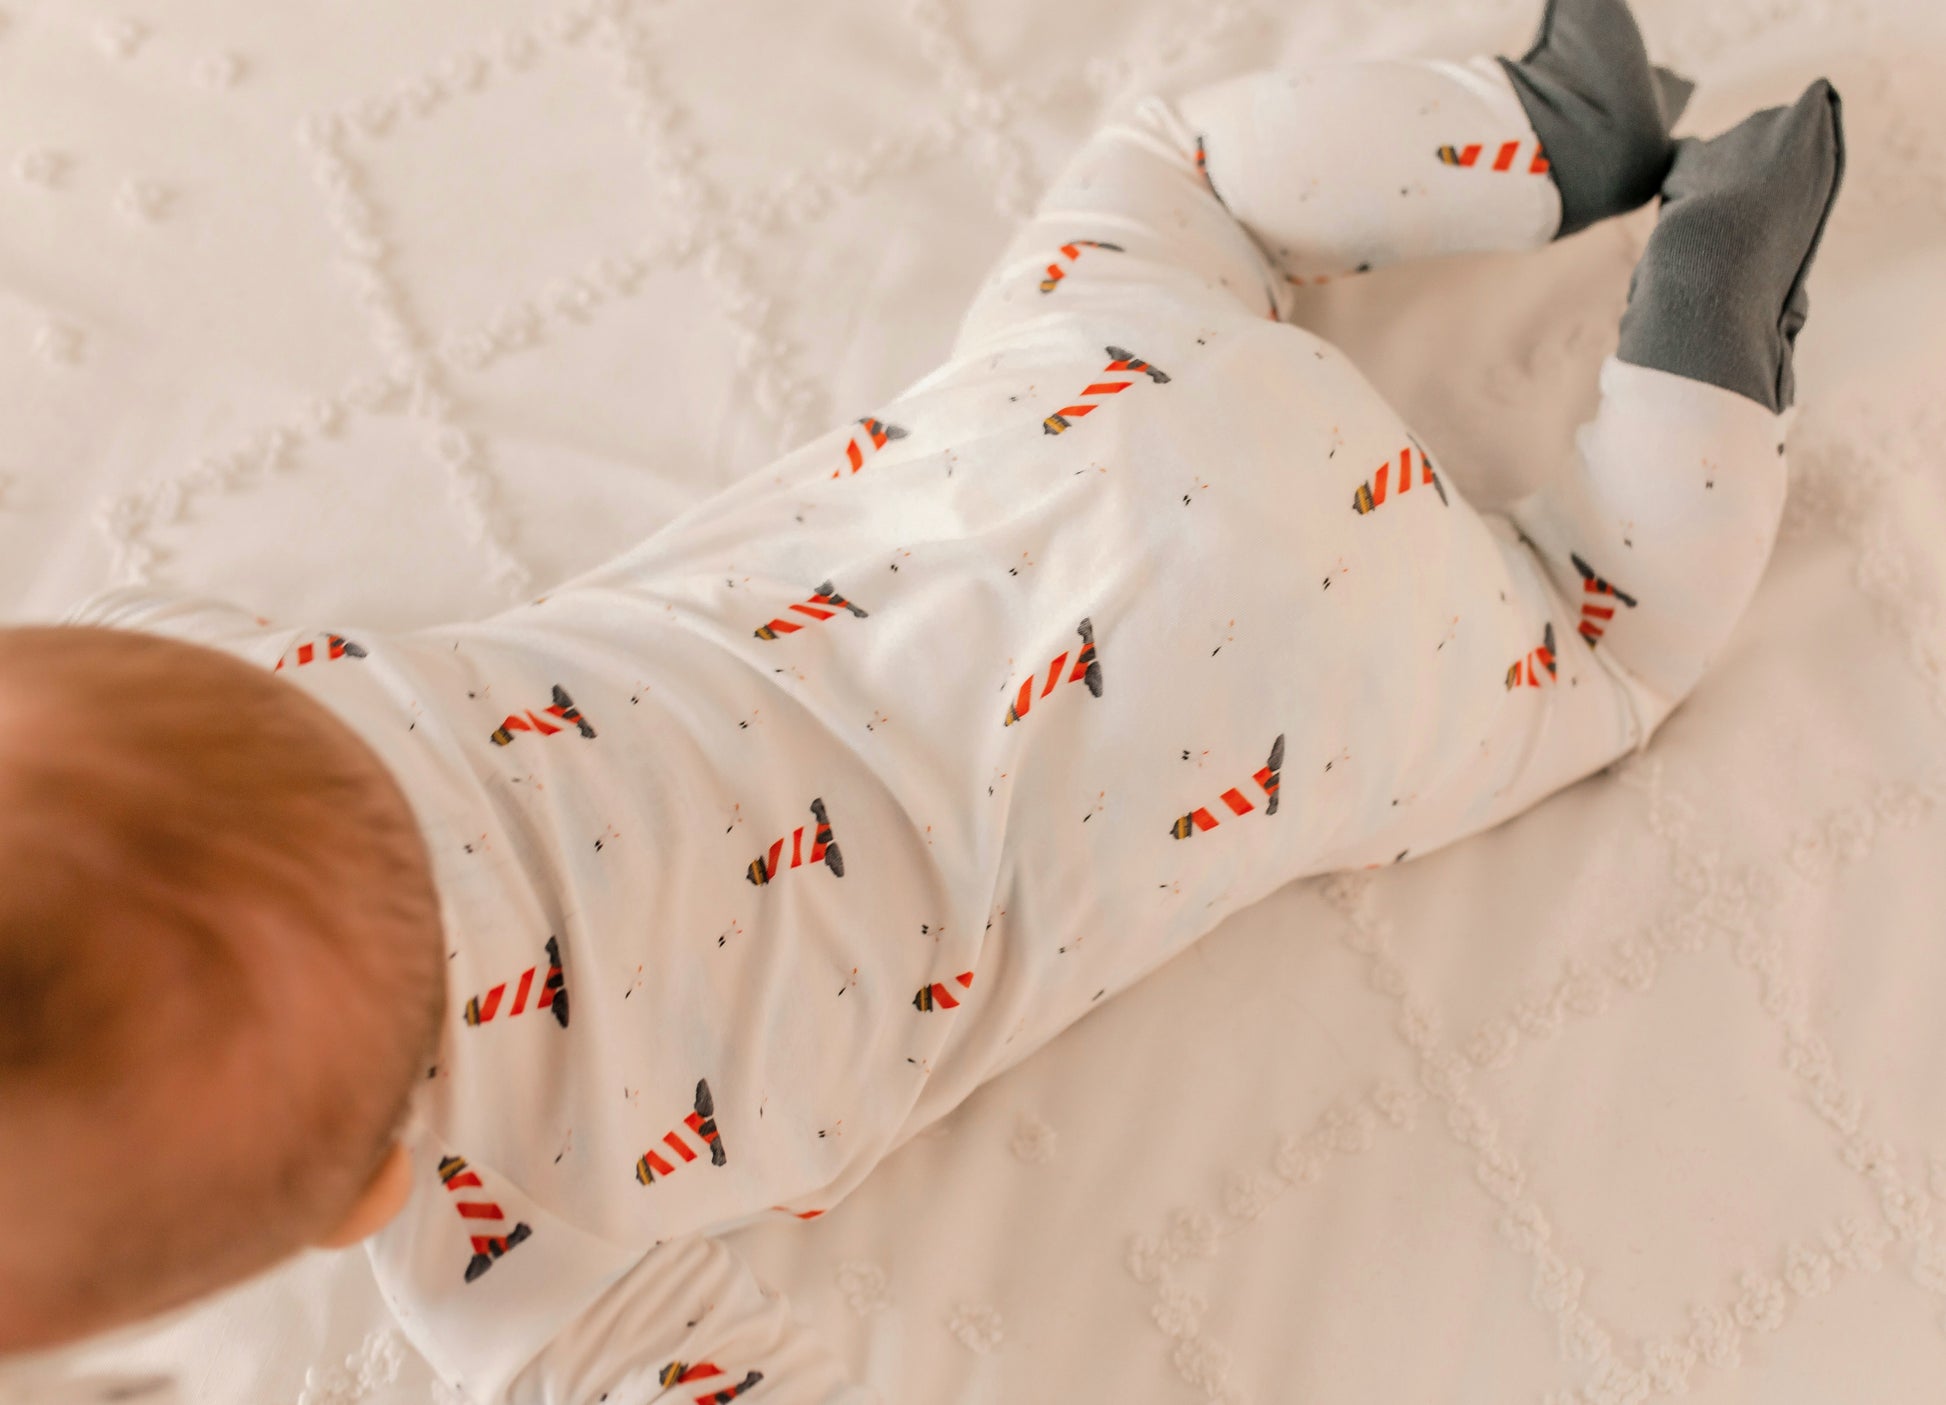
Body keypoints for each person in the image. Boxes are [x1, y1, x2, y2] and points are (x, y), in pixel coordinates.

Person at [0, 0, 1844, 1398]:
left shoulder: (496, 1237)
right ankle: (1531, 133)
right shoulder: (265, 674)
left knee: (1596, 651)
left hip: (1295, 675)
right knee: (1174, 178)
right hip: (1080, 413)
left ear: (337, 1210)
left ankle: (1706, 315)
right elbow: (113, 656)